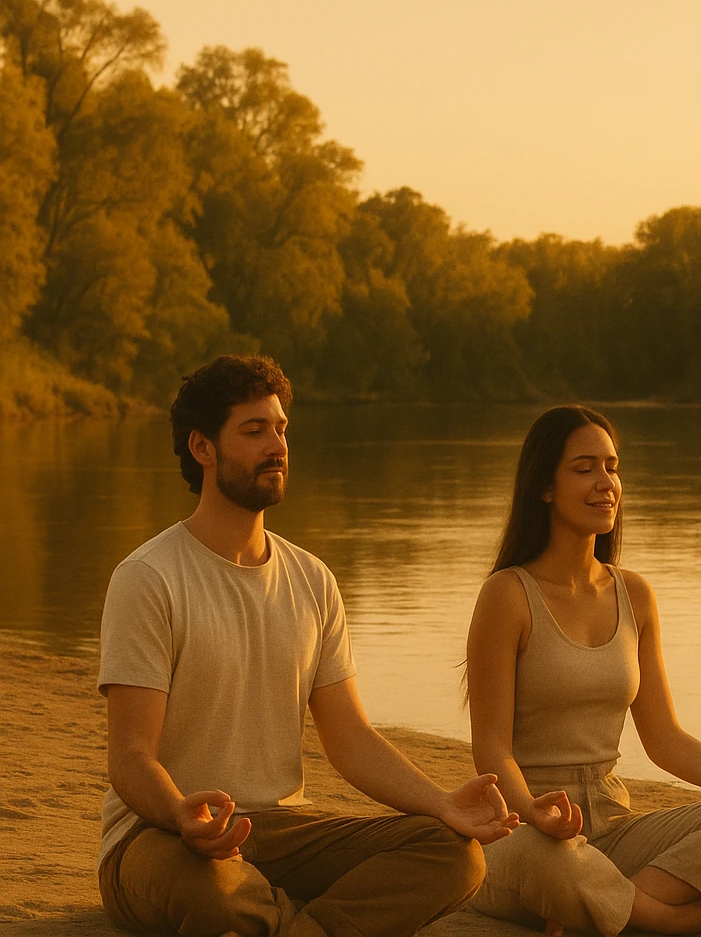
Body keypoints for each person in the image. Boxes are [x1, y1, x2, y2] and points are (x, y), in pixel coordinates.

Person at [97, 355, 517, 937]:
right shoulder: (149, 577)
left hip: (279, 831)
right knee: (214, 889)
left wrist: (442, 802)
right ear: (203, 448)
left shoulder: (311, 578)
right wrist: (180, 815)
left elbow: (350, 738)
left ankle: (293, 928)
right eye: (254, 431)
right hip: (159, 838)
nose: (277, 445)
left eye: (281, 429)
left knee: (453, 854)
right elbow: (131, 757)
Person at [465, 405, 701, 936]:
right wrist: (532, 809)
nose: (605, 483)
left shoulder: (634, 595)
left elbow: (665, 737)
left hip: (612, 830)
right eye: (584, 468)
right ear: (544, 486)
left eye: (612, 467)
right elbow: (491, 748)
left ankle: (604, 905)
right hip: (525, 829)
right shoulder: (507, 595)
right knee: (557, 863)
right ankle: (664, 919)